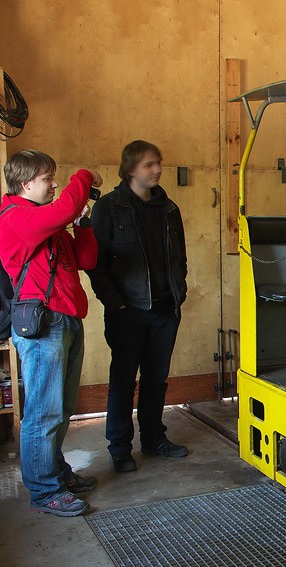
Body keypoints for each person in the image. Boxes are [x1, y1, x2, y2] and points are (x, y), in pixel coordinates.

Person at [0, 149, 102, 517]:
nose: (55, 184)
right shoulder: (16, 220)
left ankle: (55, 471)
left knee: (61, 408)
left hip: (66, 320)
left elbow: (85, 260)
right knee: (43, 412)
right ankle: (44, 491)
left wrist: (84, 225)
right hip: (43, 325)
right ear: (25, 184)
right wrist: (84, 175)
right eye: (47, 178)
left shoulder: (48, 225)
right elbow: (65, 208)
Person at [87, 140, 188, 473]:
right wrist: (115, 304)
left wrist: (179, 293)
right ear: (130, 168)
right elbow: (95, 263)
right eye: (148, 164)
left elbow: (180, 259)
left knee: (156, 380)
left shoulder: (169, 209)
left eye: (158, 162)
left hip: (164, 310)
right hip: (127, 311)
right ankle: (119, 448)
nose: (157, 169)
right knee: (123, 380)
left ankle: (154, 439)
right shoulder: (109, 207)